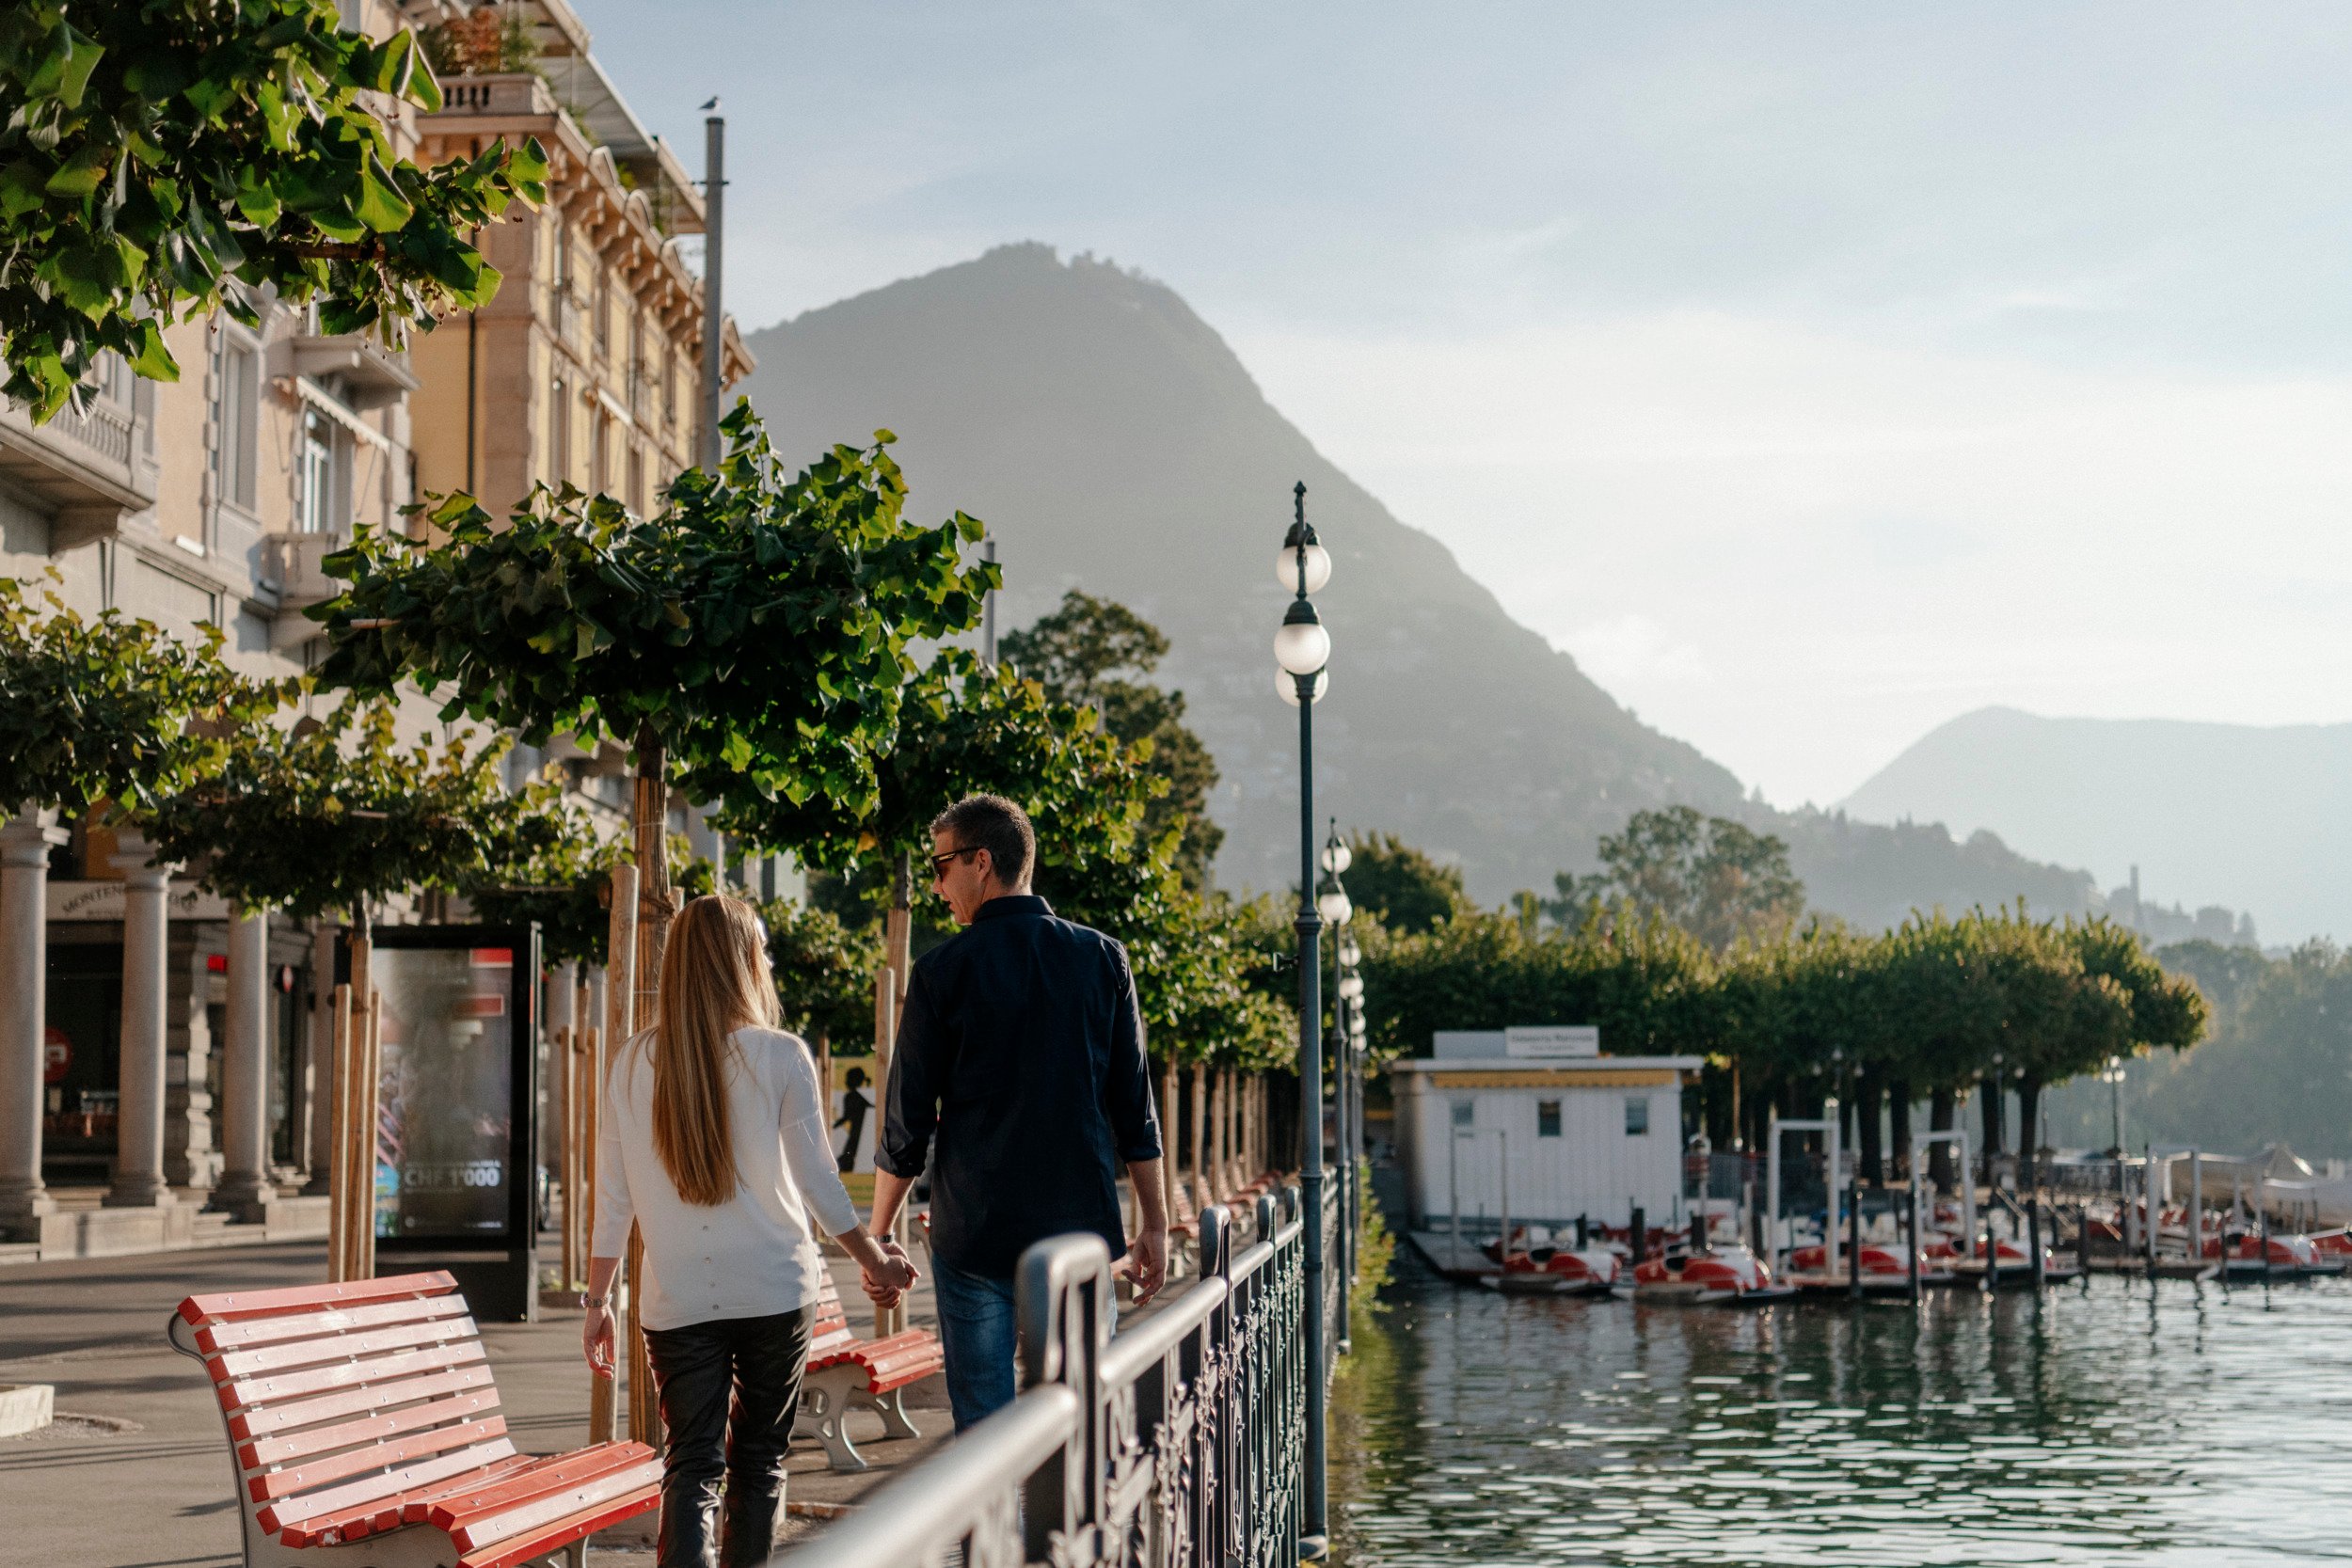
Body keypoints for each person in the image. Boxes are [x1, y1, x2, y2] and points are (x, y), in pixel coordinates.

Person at [584, 895, 916, 1568]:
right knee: (759, 1461)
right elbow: (821, 1184)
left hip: (674, 1298)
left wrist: (598, 1302)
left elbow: (612, 1200)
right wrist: (874, 1258)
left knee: (691, 1464)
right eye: (759, 948)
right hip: (774, 1290)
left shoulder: (630, 1063)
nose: (767, 959)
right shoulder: (781, 1056)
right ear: (739, 963)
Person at [866, 794, 1169, 1432]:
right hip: (1078, 1232)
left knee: (984, 1429)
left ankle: (997, 1535)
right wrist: (1155, 1225)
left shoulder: (941, 970)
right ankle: (1074, 1531)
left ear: (982, 861)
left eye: (942, 866)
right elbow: (1133, 1106)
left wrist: (881, 1231)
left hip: (973, 1232)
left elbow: (907, 1120)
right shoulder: (1103, 958)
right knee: (1082, 1418)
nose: (936, 885)